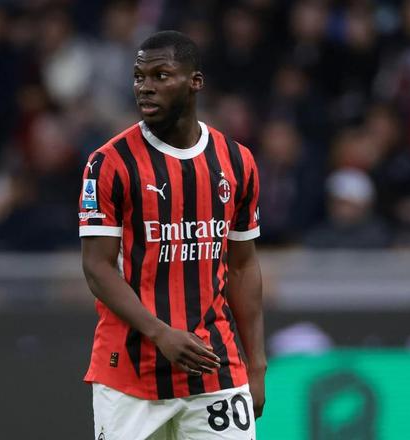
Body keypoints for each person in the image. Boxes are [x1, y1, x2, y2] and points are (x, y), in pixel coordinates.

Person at [79, 31, 266, 440]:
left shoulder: (237, 161)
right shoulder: (109, 163)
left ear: (195, 82)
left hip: (215, 368)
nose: (145, 87)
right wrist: (159, 332)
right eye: (139, 76)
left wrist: (256, 365)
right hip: (130, 374)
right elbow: (97, 268)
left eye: (160, 75)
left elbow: (242, 266)